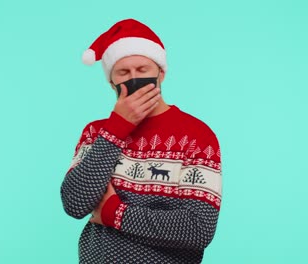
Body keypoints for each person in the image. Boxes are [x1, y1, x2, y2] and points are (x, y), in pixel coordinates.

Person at [60, 18, 222, 264]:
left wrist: (113, 212)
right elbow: (75, 203)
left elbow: (198, 228)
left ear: (161, 74)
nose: (134, 78)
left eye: (143, 70)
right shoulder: (96, 133)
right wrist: (117, 128)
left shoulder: (196, 136)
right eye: (123, 72)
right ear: (112, 82)